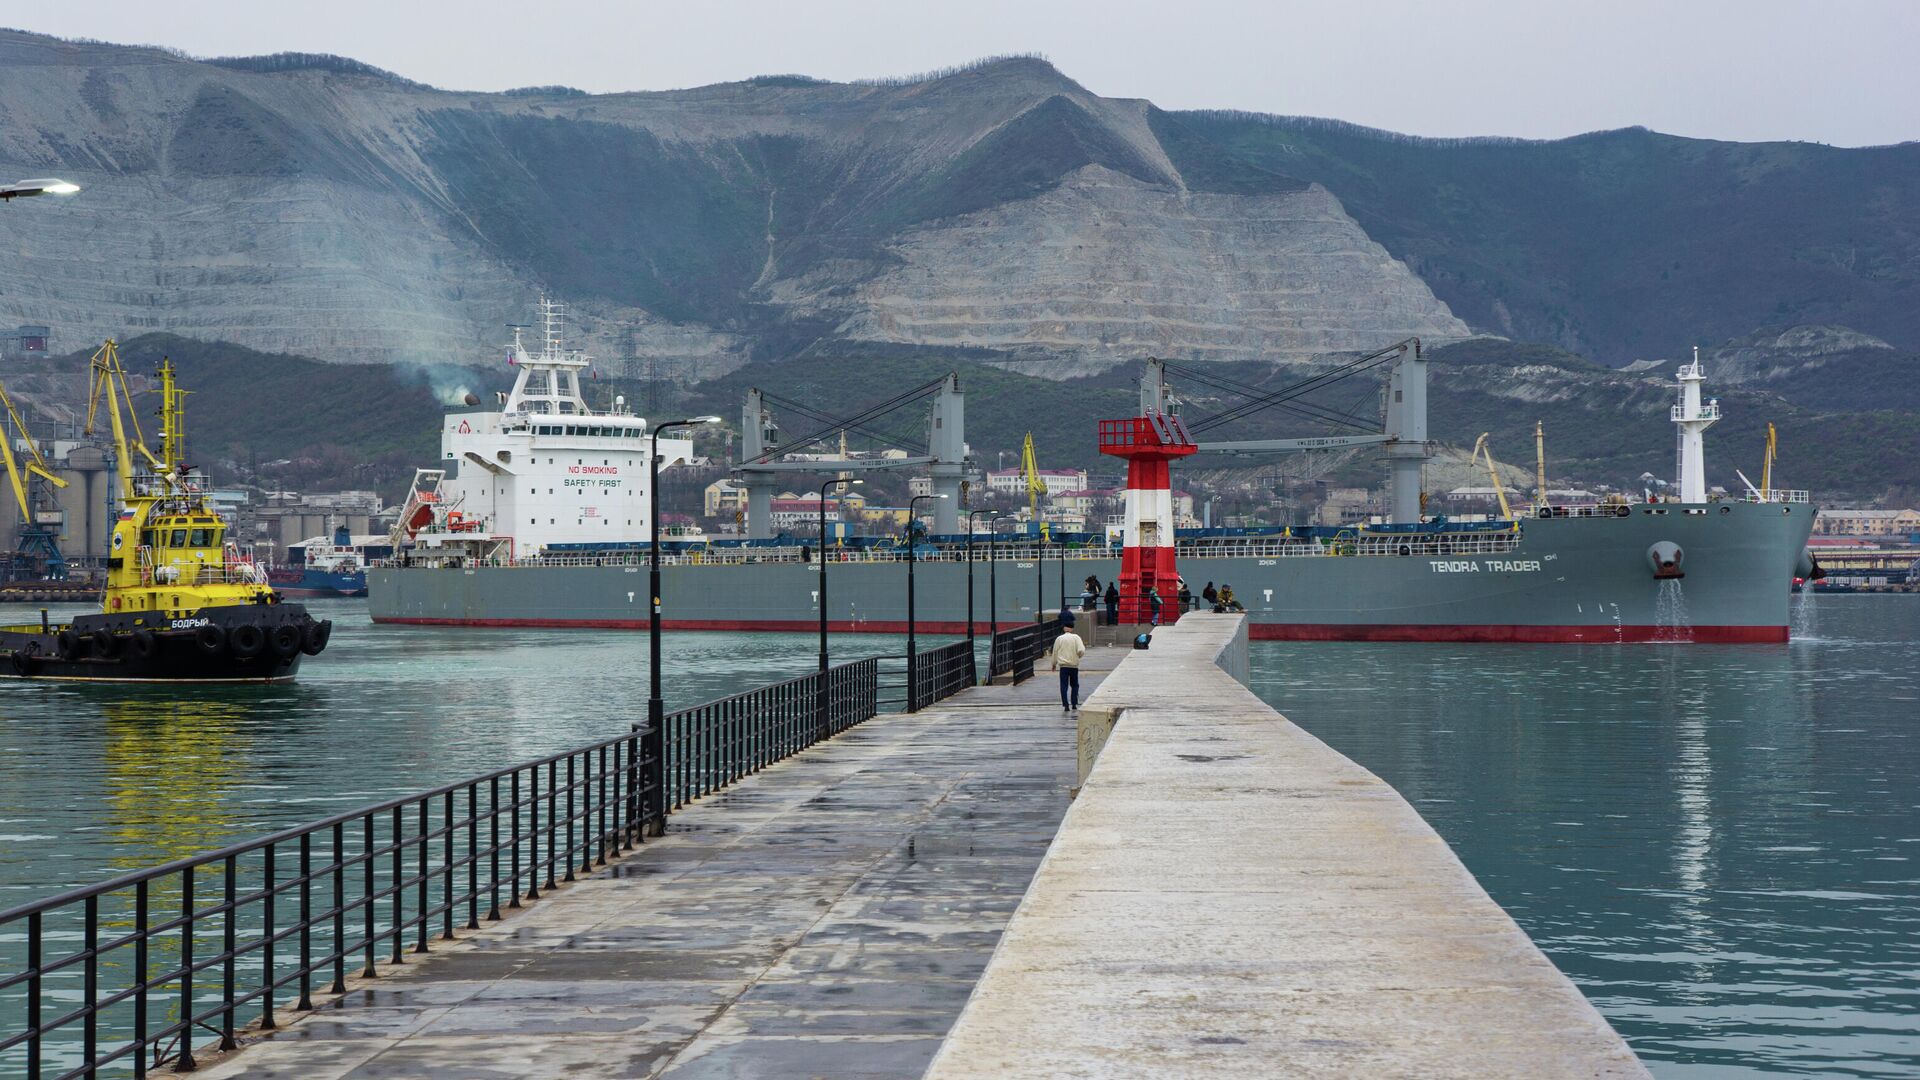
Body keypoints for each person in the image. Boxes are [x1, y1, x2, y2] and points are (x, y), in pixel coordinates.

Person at [1051, 613, 1087, 711]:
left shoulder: (1059, 639)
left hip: (1063, 667)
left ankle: (1066, 705)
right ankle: (1074, 704)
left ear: (1064, 628)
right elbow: (1081, 650)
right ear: (1072, 629)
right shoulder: (1076, 637)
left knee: (1064, 685)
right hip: (1074, 666)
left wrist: (1054, 664)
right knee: (1075, 685)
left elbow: (1054, 652)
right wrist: (1078, 656)